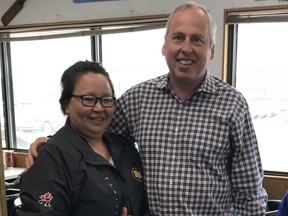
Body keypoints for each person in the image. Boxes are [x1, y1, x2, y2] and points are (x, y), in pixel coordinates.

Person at [27, 1, 268, 215]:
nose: (186, 48)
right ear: (165, 47)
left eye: (197, 39)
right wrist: (50, 145)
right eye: (178, 37)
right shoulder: (137, 99)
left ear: (212, 50)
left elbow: (250, 194)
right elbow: (93, 127)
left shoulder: (233, 104)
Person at [17, 61, 149, 216]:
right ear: (66, 105)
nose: (99, 108)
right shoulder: (52, 158)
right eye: (88, 99)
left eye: (106, 99)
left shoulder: (126, 149)